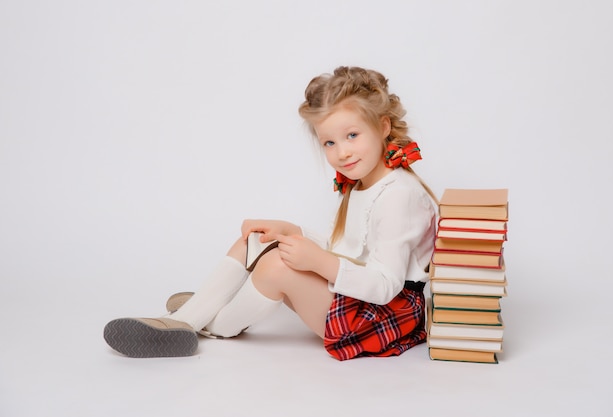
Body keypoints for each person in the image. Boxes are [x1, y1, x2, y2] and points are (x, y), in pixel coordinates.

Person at [103, 66, 438, 361]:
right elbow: (351, 249)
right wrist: (294, 232)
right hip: (358, 297)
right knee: (259, 239)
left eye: (352, 135)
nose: (342, 153)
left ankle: (209, 323)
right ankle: (190, 318)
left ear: (382, 127)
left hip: (382, 316)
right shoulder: (363, 182)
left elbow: (384, 286)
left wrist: (317, 260)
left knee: (276, 266)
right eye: (330, 143)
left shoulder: (399, 196)